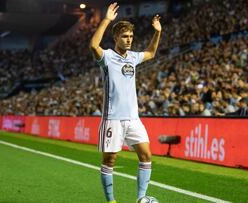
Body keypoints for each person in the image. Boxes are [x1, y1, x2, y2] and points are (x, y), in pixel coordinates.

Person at [89, 3, 162, 203]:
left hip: (133, 119)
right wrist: (106, 20)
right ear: (116, 38)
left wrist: (157, 32)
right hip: (112, 119)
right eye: (125, 36)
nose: (129, 40)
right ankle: (111, 200)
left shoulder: (133, 57)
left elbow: (151, 53)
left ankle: (141, 198)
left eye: (131, 36)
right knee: (109, 160)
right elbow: (94, 45)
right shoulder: (107, 57)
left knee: (146, 156)